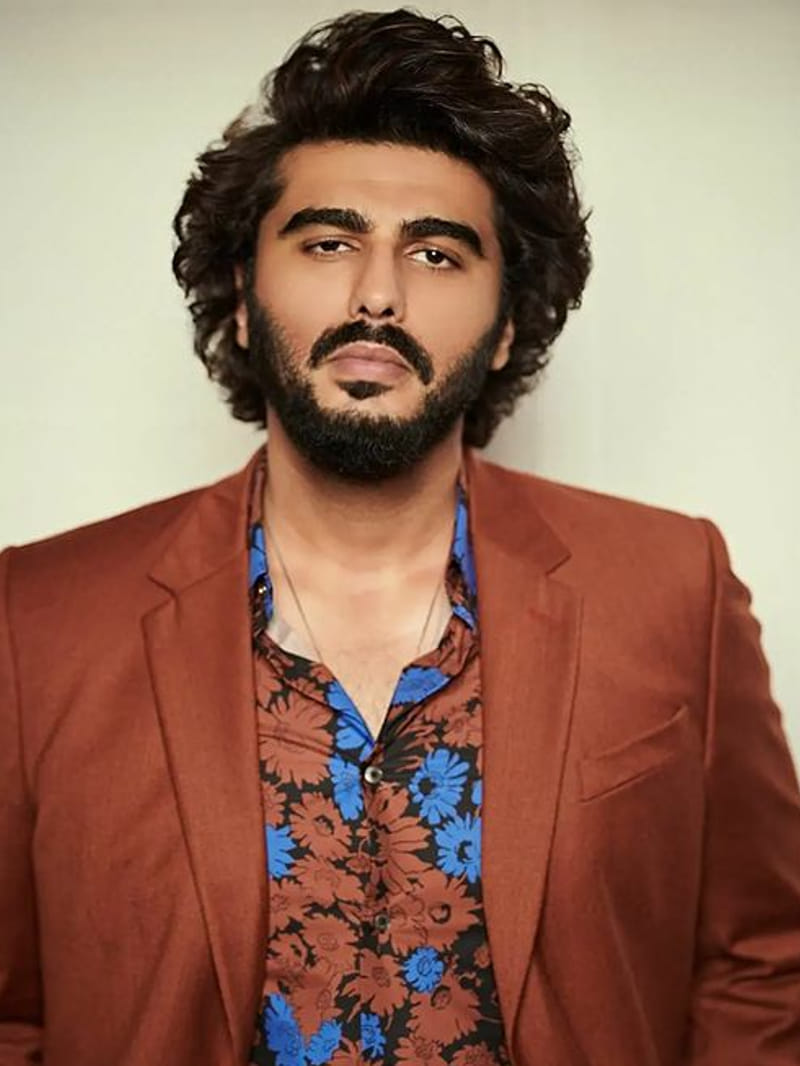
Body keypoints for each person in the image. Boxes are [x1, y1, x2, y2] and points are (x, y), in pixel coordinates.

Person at [1, 8, 798, 1065]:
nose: (377, 294)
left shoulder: (669, 587)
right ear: (240, 297)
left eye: (435, 252)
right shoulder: (39, 619)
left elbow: (759, 960)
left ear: (506, 324)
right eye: (328, 243)